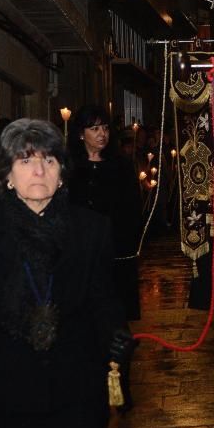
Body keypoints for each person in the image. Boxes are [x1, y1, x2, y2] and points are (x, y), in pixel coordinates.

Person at [0, 119, 134, 428]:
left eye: (49, 161)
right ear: (8, 176)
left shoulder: (91, 229)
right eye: (25, 161)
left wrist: (118, 337)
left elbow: (103, 300)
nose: (38, 170)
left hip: (78, 394)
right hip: (7, 397)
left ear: (62, 176)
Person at [67, 106, 143, 321]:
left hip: (115, 247)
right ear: (82, 133)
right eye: (95, 128)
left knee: (115, 311)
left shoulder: (121, 165)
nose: (102, 134)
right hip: (80, 248)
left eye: (105, 128)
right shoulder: (69, 166)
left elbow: (132, 206)